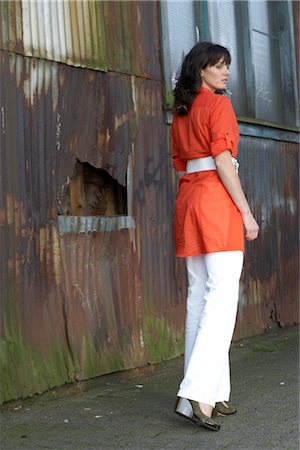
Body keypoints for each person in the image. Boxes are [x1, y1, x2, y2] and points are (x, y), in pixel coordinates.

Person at [171, 42, 259, 431]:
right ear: (201, 70)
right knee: (221, 301)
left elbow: (182, 160)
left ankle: (210, 393)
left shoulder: (181, 112)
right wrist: (246, 212)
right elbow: (224, 161)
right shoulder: (218, 105)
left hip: (189, 199)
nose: (226, 72)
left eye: (227, 66)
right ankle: (199, 393)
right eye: (218, 66)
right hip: (216, 203)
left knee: (198, 298)